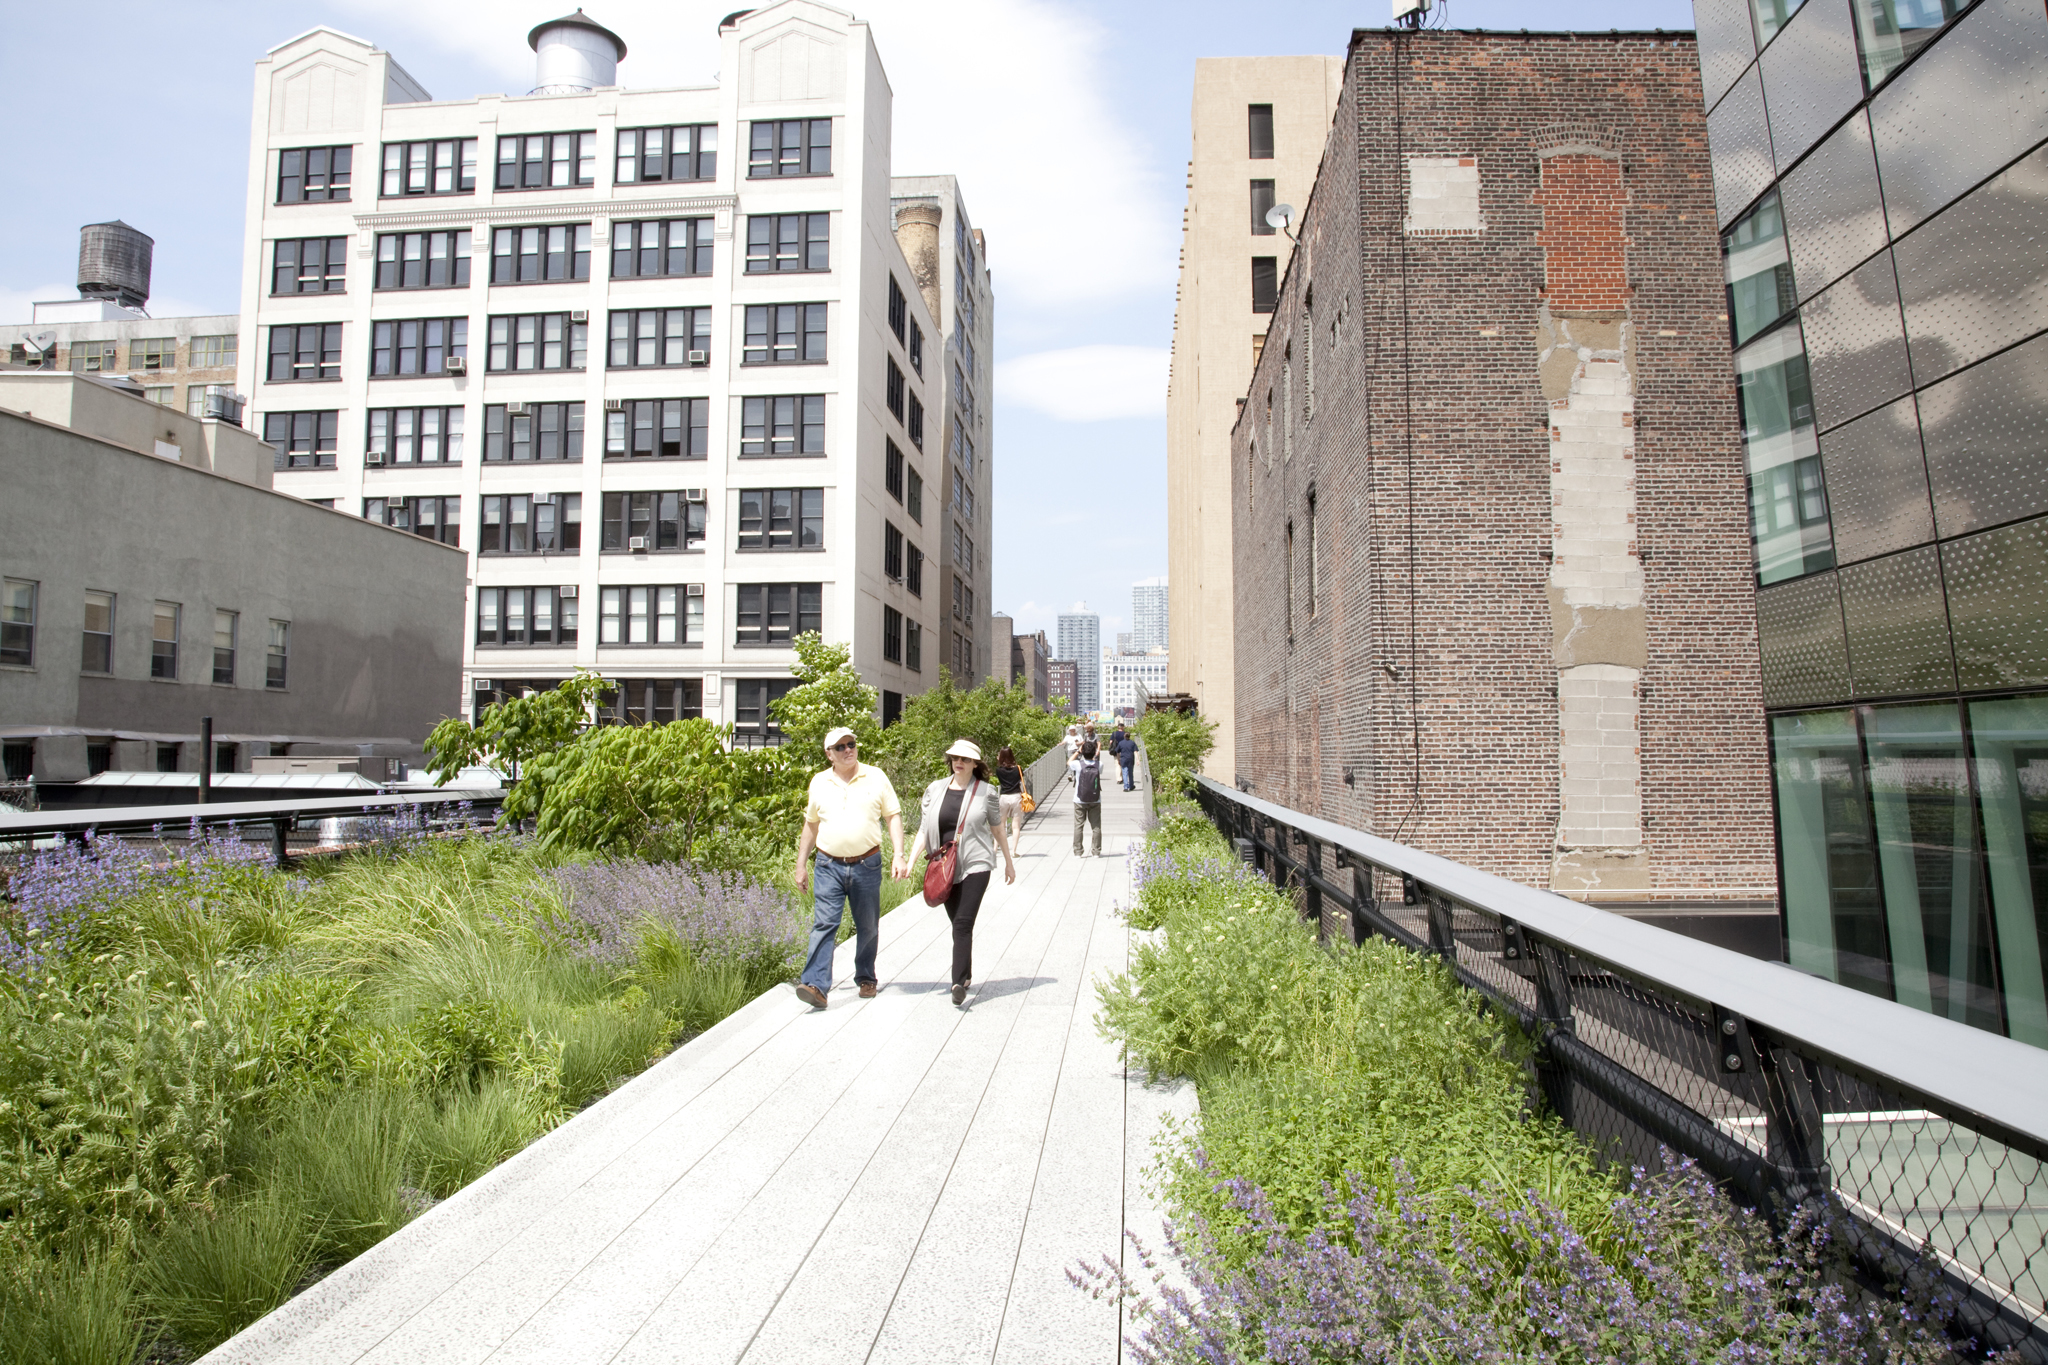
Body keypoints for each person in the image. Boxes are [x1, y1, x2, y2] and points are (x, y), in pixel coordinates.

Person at [793, 726, 908, 1009]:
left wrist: (899, 855)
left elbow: (893, 816)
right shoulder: (819, 782)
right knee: (825, 922)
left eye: (851, 744)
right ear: (829, 754)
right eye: (841, 747)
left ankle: (866, 976)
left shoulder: (875, 776)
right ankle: (816, 985)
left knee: (867, 925)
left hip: (867, 864)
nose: (848, 750)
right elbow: (811, 824)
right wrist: (801, 864)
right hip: (828, 864)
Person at [907, 739, 1016, 1006]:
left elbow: (997, 828)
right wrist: (909, 862)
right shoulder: (935, 789)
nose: (959, 762)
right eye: (956, 758)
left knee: (963, 923)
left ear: (975, 764)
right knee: (957, 923)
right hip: (944, 865)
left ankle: (957, 983)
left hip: (976, 863)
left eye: (965, 759)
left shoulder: (987, 792)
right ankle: (965, 974)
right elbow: (923, 829)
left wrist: (1009, 862)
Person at [1069, 738, 1104, 857]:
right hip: (1095, 799)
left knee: (1079, 826)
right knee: (1096, 826)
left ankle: (1078, 852)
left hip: (1079, 799)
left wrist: (1078, 751)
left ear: (1083, 752)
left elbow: (1069, 762)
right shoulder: (1099, 765)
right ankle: (1096, 852)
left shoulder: (1078, 764)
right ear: (1095, 752)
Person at [995, 745, 1026, 844]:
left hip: (1004, 797)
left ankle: (995, 849)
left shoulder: (998, 770)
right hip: (1016, 796)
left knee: (1001, 825)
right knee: (1016, 826)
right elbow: (1021, 779)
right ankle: (1014, 851)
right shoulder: (1018, 768)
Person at [1113, 726, 1138, 791]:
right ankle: (1131, 785)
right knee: (1130, 773)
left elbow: (1118, 752)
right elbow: (1135, 751)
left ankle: (1126, 787)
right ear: (1129, 736)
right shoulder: (1132, 743)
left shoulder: (1121, 743)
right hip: (1131, 759)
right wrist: (1138, 760)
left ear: (1124, 736)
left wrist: (1118, 759)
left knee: (1124, 772)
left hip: (1123, 759)